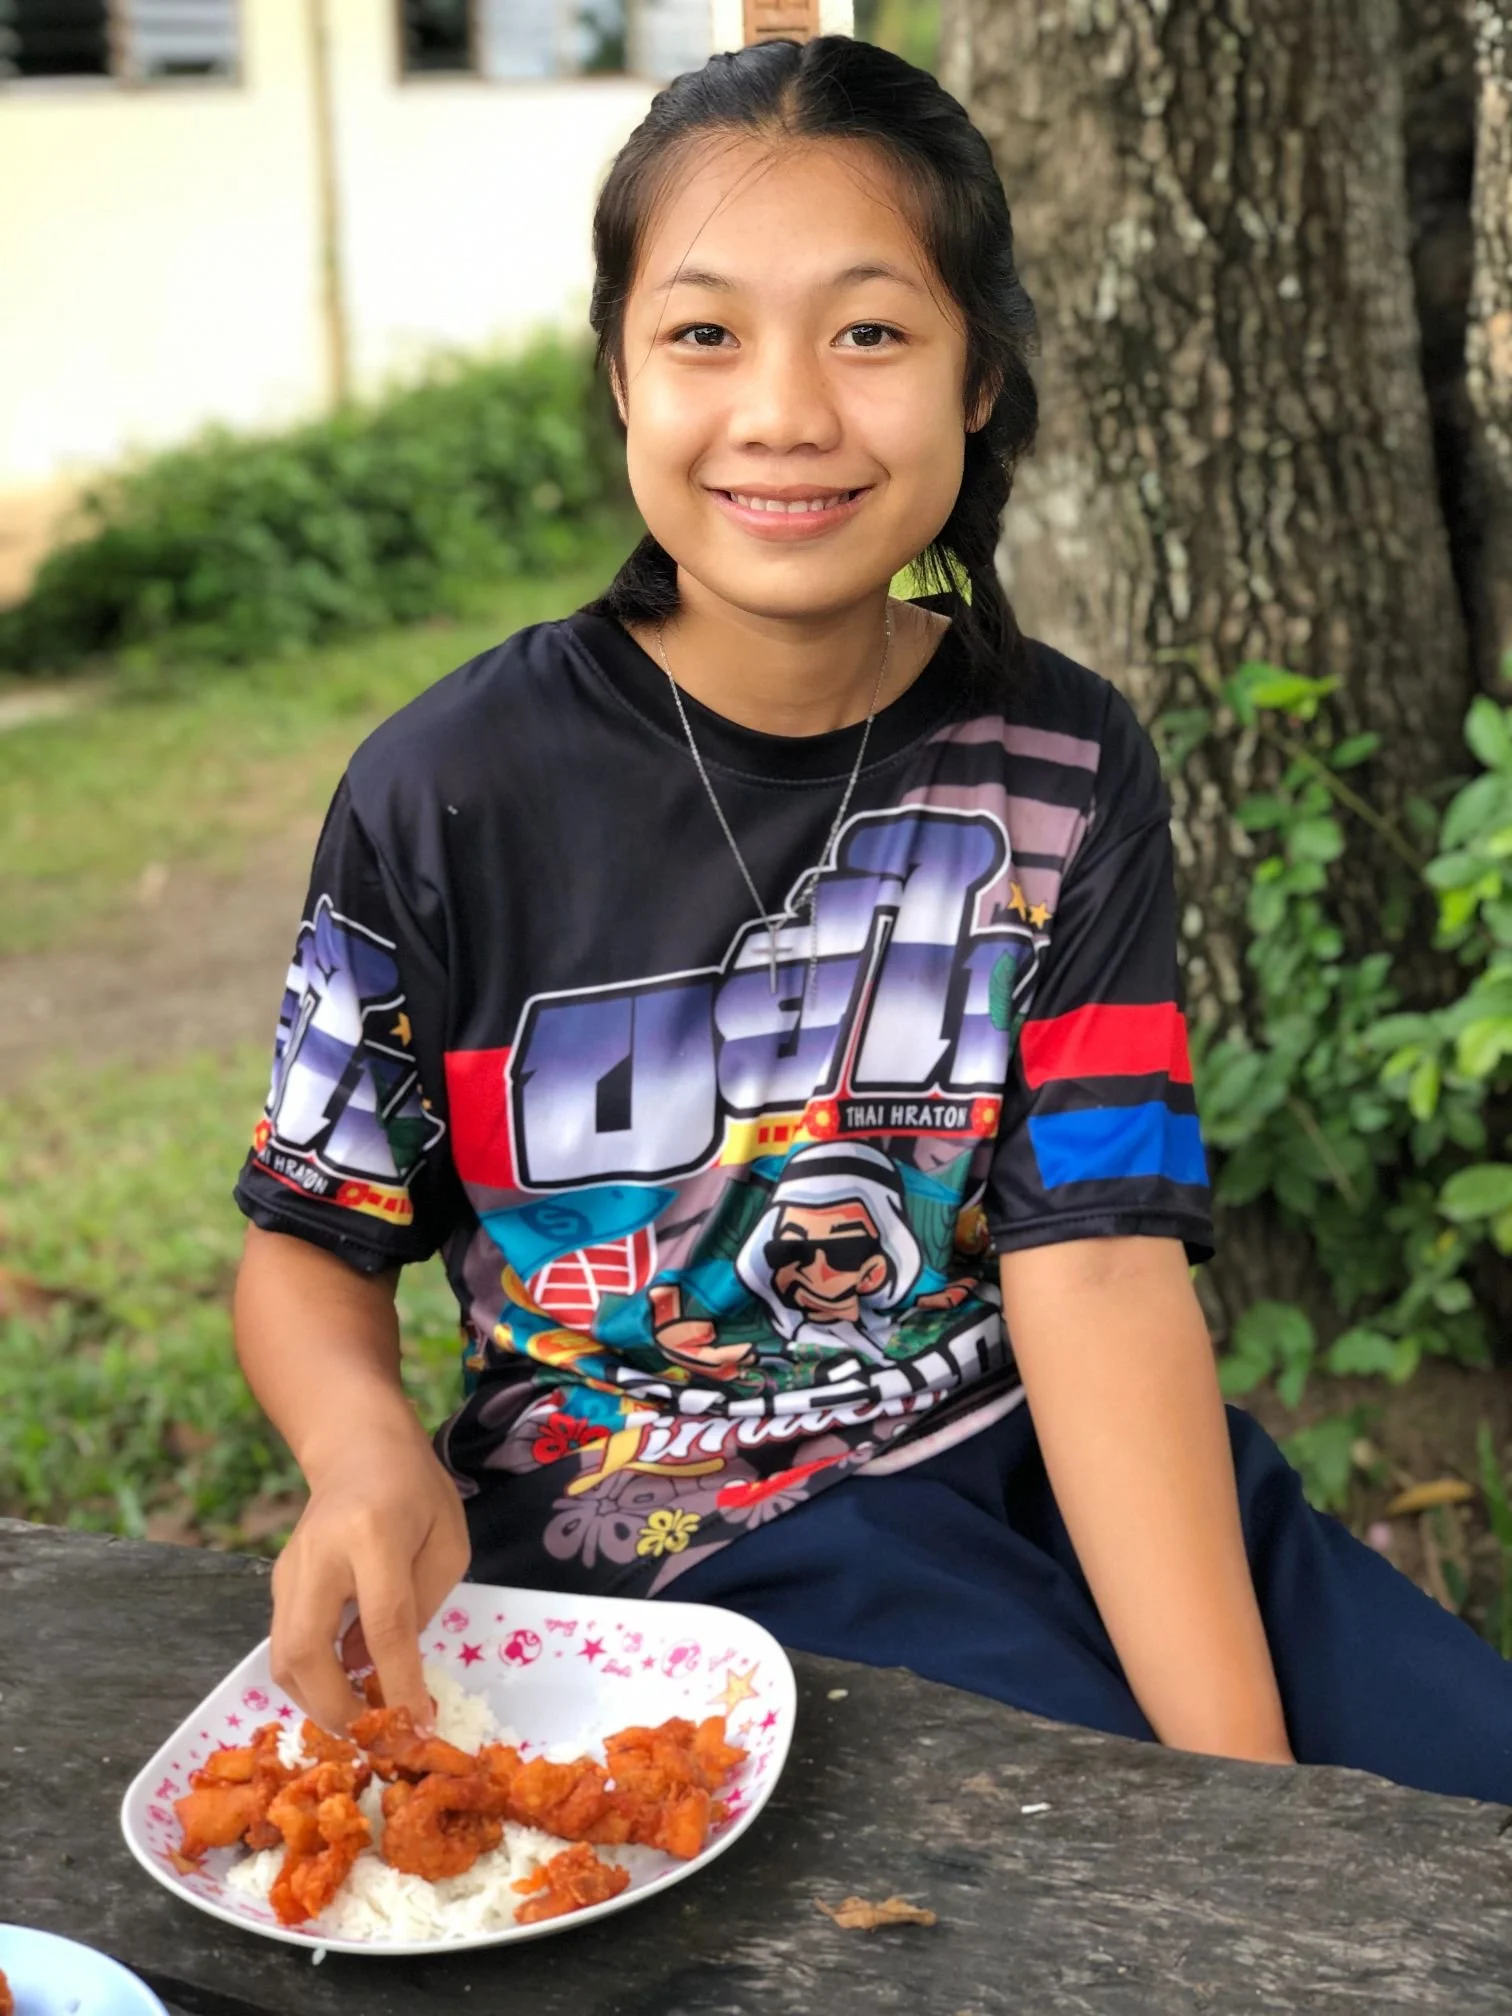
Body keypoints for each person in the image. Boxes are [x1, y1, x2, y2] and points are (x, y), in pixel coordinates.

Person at [232, 34, 1512, 1803]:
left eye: (870, 331)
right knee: (1081, 1830)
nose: (784, 412)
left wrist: (1241, 1795)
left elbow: (1099, 1269)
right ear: (619, 369)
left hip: (1041, 1445)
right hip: (665, 1526)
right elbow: (313, 1234)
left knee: (1458, 1799)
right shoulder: (451, 790)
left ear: (979, 373)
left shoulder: (1060, 765)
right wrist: (365, 1446)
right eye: (704, 333)